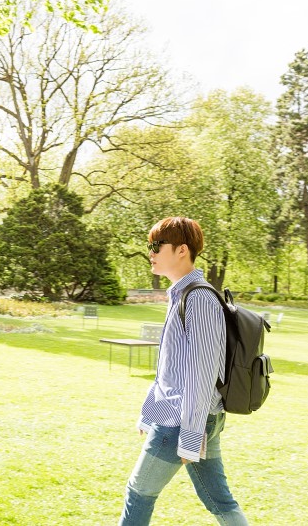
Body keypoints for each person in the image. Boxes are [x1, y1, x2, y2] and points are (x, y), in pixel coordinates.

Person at [118, 216, 248, 526]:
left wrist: (190, 434)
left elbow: (202, 373)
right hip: (190, 416)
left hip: (183, 420)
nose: (150, 251)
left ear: (181, 250)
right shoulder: (181, 294)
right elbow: (171, 366)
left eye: (156, 245)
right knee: (218, 499)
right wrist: (149, 412)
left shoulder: (199, 298)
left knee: (139, 492)